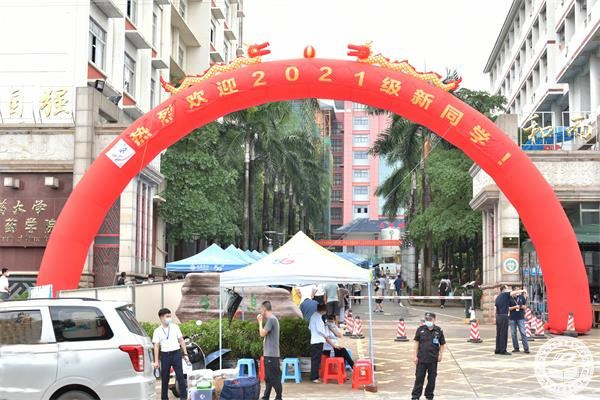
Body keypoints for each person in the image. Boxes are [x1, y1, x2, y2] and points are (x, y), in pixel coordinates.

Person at [152, 308, 189, 400]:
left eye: (170, 316)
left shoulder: (175, 327)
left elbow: (181, 340)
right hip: (165, 355)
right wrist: (156, 361)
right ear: (161, 317)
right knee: (165, 378)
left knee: (180, 376)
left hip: (176, 353)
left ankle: (184, 397)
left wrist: (185, 354)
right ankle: (164, 397)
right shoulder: (157, 331)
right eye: (167, 316)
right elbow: (156, 346)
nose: (169, 318)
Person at [411, 312, 445, 400]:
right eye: (427, 319)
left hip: (433, 359)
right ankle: (415, 396)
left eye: (430, 319)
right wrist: (414, 356)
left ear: (434, 320)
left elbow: (442, 344)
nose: (428, 321)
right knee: (419, 378)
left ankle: (429, 396)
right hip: (421, 359)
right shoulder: (420, 329)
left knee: (432, 379)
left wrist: (440, 355)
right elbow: (416, 343)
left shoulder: (438, 330)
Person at [257, 301, 282, 400]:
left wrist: (260, 322)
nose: (260, 311)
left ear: (264, 309)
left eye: (261, 308)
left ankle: (279, 397)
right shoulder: (272, 319)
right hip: (270, 353)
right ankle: (266, 396)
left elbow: (262, 333)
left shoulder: (271, 319)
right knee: (268, 377)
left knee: (274, 377)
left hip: (271, 354)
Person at [308, 304, 335, 383]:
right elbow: (320, 330)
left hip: (313, 340)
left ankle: (315, 376)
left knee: (315, 359)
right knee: (316, 360)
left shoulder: (313, 316)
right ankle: (314, 377)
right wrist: (326, 336)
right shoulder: (319, 317)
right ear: (324, 310)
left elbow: (309, 328)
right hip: (318, 341)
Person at [495, 285, 525, 355]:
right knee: (503, 334)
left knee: (499, 334)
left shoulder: (498, 297)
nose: (509, 289)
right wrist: (522, 290)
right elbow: (513, 292)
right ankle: (503, 350)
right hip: (504, 316)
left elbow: (496, 307)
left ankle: (498, 349)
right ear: (504, 289)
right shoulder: (505, 294)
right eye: (507, 288)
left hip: (498, 316)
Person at [509, 287, 529, 354]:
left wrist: (520, 306)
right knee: (513, 334)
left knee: (523, 333)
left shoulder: (521, 297)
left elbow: (525, 306)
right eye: (517, 290)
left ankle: (526, 349)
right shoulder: (509, 298)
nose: (518, 291)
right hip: (512, 318)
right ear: (514, 291)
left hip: (521, 317)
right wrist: (515, 307)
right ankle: (516, 348)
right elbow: (508, 308)